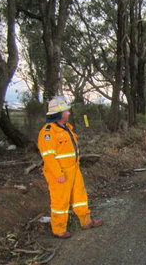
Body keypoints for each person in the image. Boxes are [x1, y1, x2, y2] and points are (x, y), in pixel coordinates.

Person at [37, 96, 103, 239]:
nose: (69, 113)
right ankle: (59, 229)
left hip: (73, 169)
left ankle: (86, 221)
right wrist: (57, 173)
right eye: (66, 111)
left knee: (80, 197)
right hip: (60, 172)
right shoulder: (48, 132)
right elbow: (48, 156)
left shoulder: (66, 129)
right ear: (59, 114)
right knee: (60, 201)